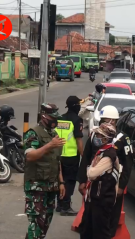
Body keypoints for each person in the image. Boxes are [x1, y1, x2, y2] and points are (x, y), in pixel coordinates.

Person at [77, 105, 134, 237]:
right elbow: (86, 158)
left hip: (110, 187)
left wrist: (121, 187)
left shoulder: (122, 139)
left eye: (111, 120)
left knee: (107, 223)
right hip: (93, 187)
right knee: (88, 221)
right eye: (105, 120)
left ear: (115, 121)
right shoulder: (94, 136)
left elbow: (128, 164)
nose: (107, 123)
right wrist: (82, 181)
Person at [23, 103, 66, 239]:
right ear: (44, 116)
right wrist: (50, 145)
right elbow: (30, 156)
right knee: (35, 223)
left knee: (44, 224)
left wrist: (61, 182)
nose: (55, 121)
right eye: (52, 118)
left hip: (51, 187)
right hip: (37, 186)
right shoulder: (33, 133)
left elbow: (56, 160)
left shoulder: (53, 134)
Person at [79, 123, 121, 239]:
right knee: (86, 230)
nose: (96, 137)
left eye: (98, 135)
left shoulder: (108, 155)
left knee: (100, 233)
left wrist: (91, 169)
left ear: (106, 139)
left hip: (102, 201)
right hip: (94, 199)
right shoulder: (101, 152)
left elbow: (91, 174)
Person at [54, 96, 84, 216]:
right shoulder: (77, 120)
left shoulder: (60, 118)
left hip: (58, 155)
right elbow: (79, 140)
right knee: (69, 181)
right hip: (71, 156)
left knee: (60, 180)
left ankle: (59, 204)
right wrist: (84, 155)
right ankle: (66, 206)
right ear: (75, 106)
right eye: (78, 104)